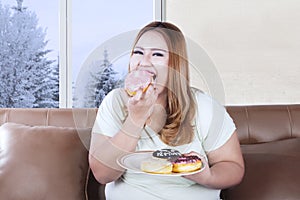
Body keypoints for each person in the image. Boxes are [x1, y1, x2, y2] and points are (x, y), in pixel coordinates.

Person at [89, 21, 244, 200]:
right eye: (138, 52)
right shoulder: (114, 102)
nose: (143, 62)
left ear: (175, 64)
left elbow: (233, 167)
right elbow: (102, 174)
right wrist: (135, 120)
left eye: (157, 54)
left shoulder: (204, 106)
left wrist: (207, 176)